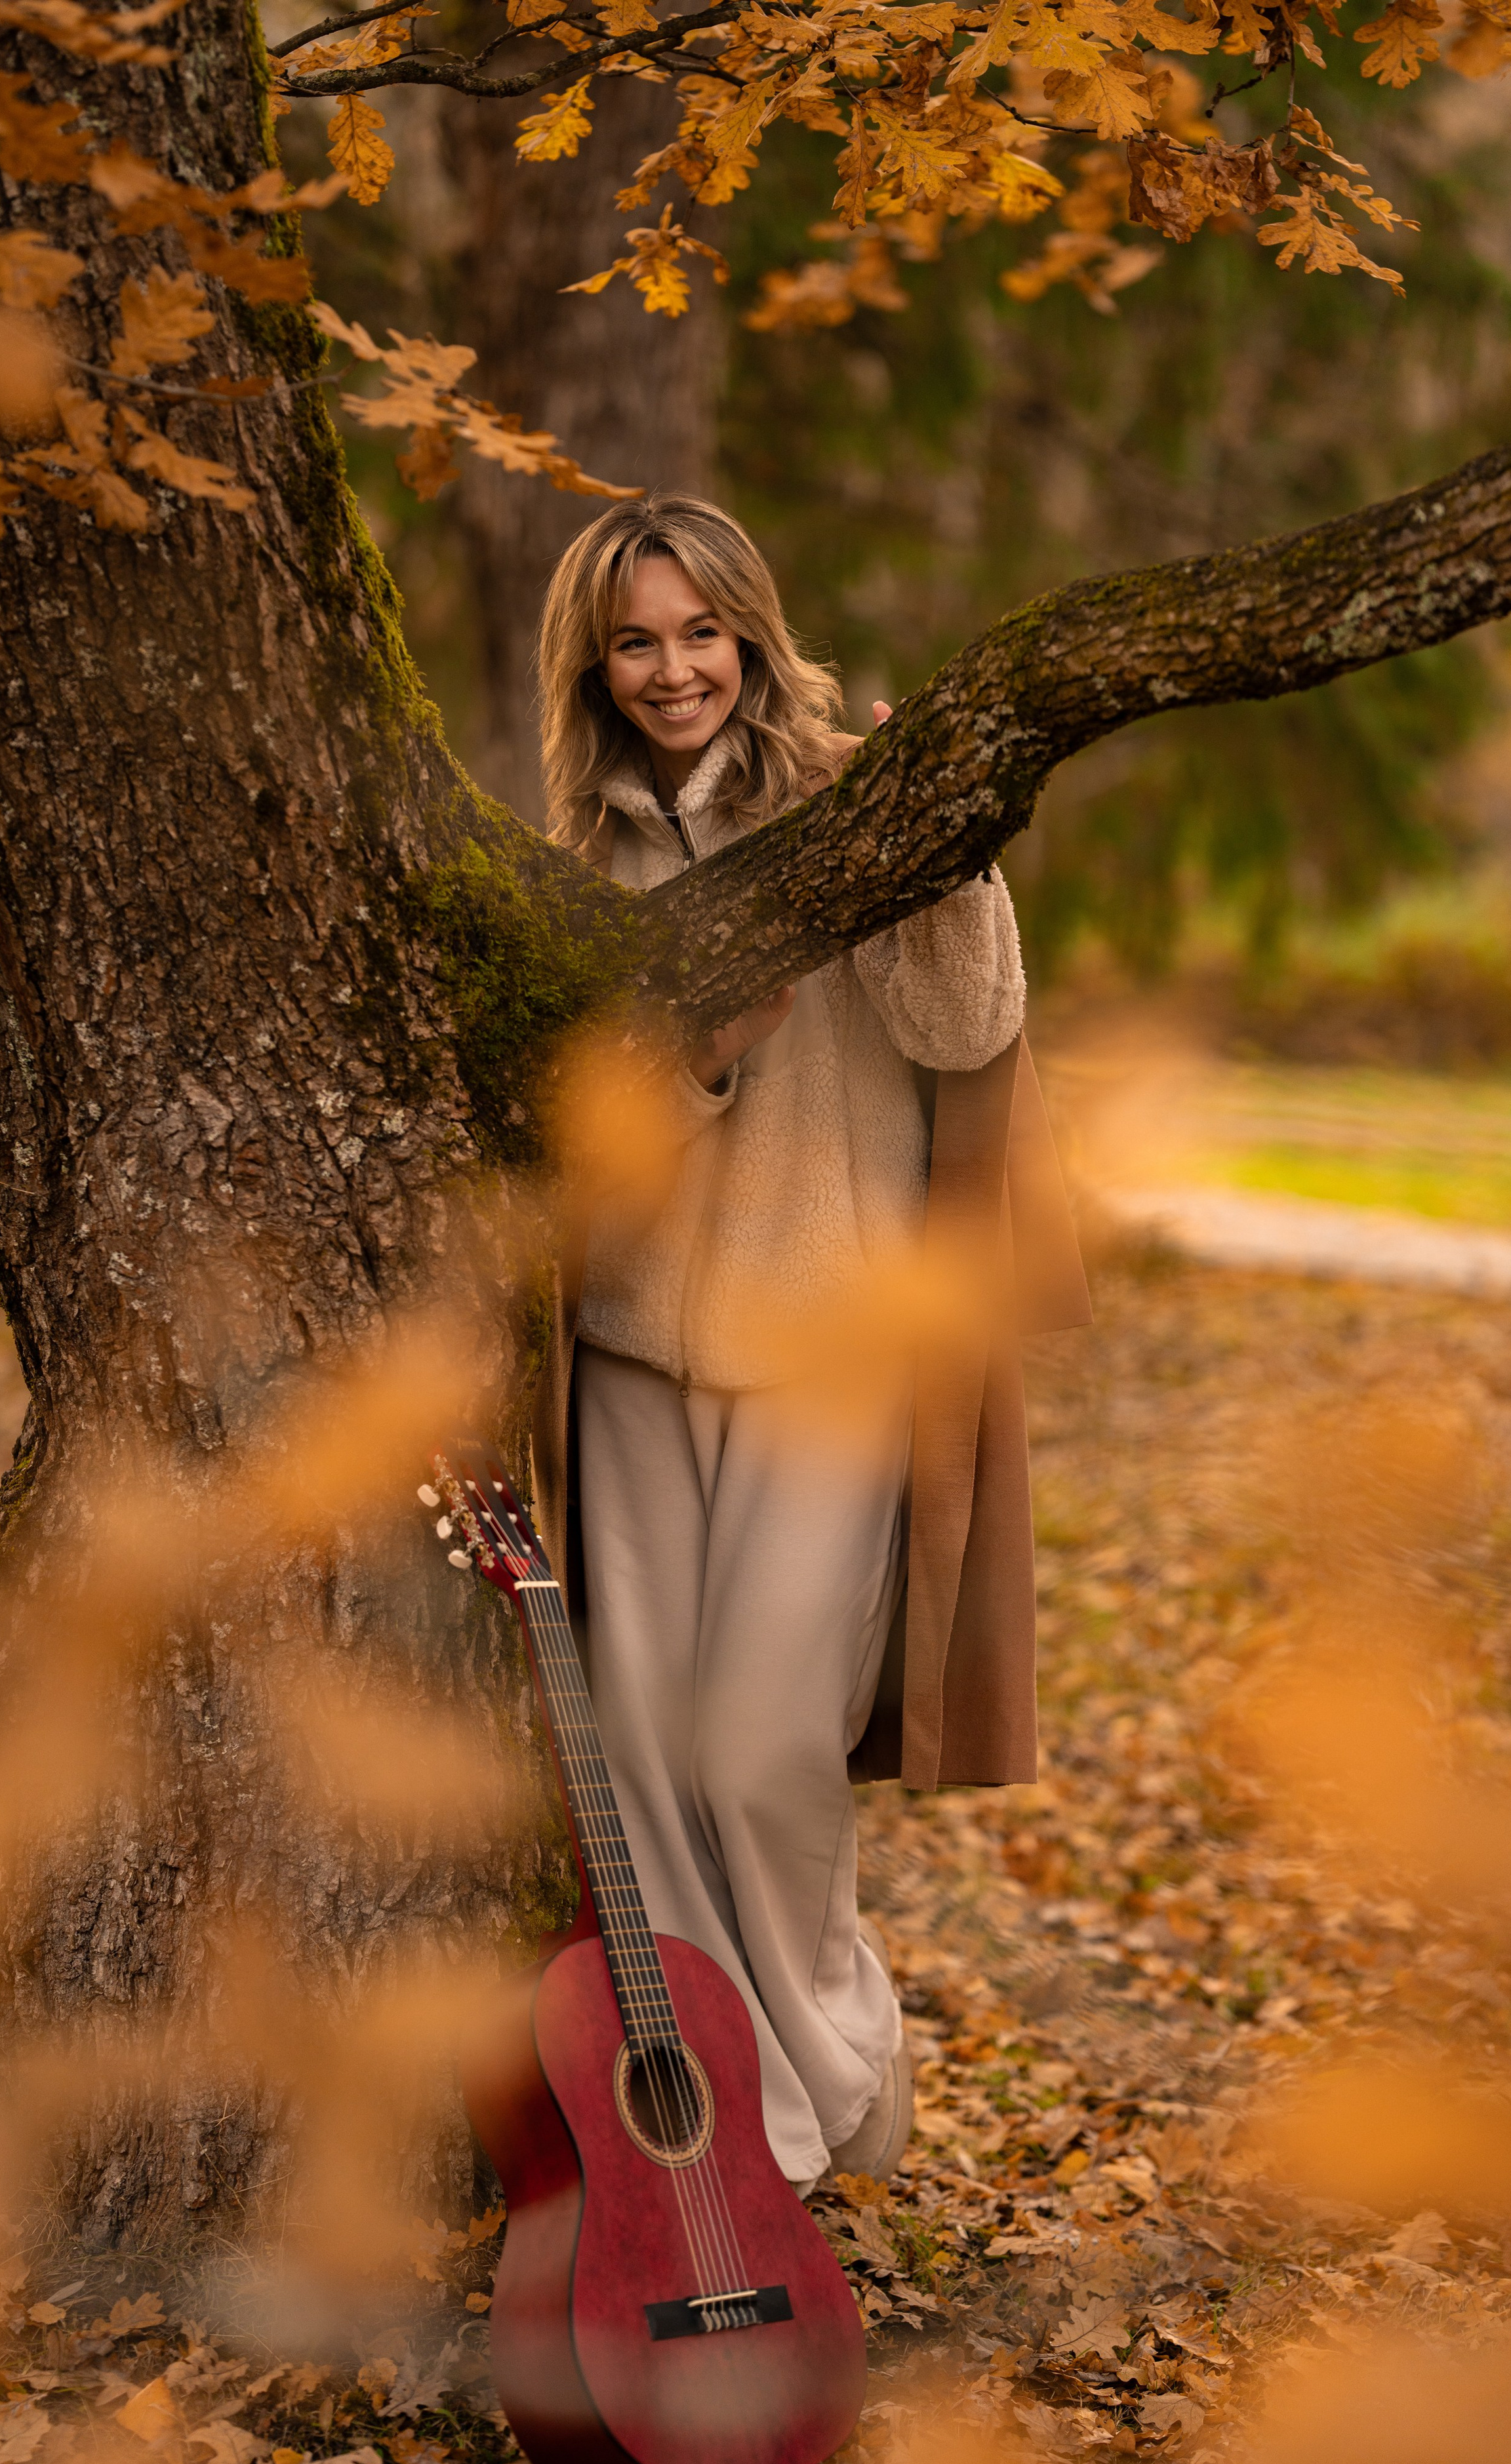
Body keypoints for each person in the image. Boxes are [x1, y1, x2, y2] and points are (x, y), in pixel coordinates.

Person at [530, 493, 1089, 2196]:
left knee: (766, 1738)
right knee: (638, 1747)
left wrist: (954, 843)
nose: (675, 667)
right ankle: (746, 2129)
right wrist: (701, 1060)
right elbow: (571, 1154)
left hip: (826, 1346)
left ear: (753, 633)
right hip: (631, 1354)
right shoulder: (574, 860)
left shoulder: (851, 798)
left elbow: (963, 1025)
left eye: (703, 631)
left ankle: (841, 2055)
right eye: (639, 638)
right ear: (596, 662)